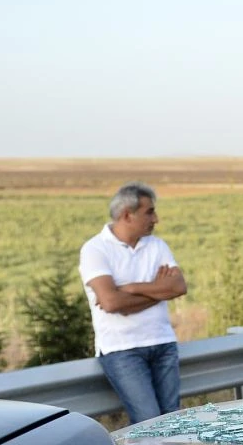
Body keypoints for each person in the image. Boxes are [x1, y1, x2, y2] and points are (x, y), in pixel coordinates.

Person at [80, 182, 188, 425]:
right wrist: (159, 291)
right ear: (127, 215)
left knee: (172, 420)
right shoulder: (95, 249)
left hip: (163, 343)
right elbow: (110, 302)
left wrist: (131, 289)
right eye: (149, 212)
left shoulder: (157, 245)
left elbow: (179, 287)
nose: (156, 219)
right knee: (148, 423)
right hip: (122, 350)